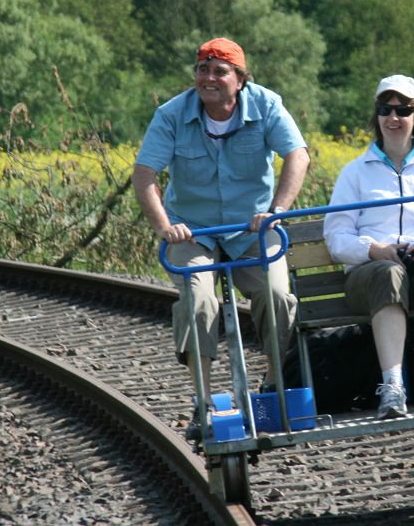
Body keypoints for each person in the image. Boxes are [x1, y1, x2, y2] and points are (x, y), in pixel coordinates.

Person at [132, 37, 310, 426]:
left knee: (277, 295)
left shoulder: (266, 105)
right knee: (199, 300)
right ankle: (204, 398)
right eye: (202, 70)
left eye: (219, 71)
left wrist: (276, 211)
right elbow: (145, 174)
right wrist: (166, 227)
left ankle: (275, 384)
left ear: (240, 79)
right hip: (194, 232)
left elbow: (297, 155)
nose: (209, 78)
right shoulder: (171, 115)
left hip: (252, 230)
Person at [323, 75, 414, 419]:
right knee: (388, 272)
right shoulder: (354, 173)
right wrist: (373, 249)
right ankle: (393, 387)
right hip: (370, 275)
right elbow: (336, 237)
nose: (393, 117)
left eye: (403, 110)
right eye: (385, 109)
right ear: (376, 117)